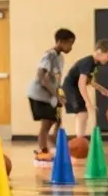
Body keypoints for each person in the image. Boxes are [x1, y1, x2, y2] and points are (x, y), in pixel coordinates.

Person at [27, 28, 75, 162]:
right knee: (47, 123)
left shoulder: (60, 57)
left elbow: (55, 79)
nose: (71, 47)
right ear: (60, 41)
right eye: (69, 43)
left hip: (50, 94)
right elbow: (42, 78)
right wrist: (56, 95)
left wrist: (60, 93)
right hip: (39, 94)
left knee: (57, 120)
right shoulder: (49, 55)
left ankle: (54, 145)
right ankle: (43, 151)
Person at [62, 39, 108, 141]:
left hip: (75, 88)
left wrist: (102, 90)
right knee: (82, 113)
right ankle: (79, 140)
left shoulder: (94, 63)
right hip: (70, 88)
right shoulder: (87, 62)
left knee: (83, 114)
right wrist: (88, 102)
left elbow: (90, 81)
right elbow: (81, 83)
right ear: (99, 52)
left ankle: (80, 138)